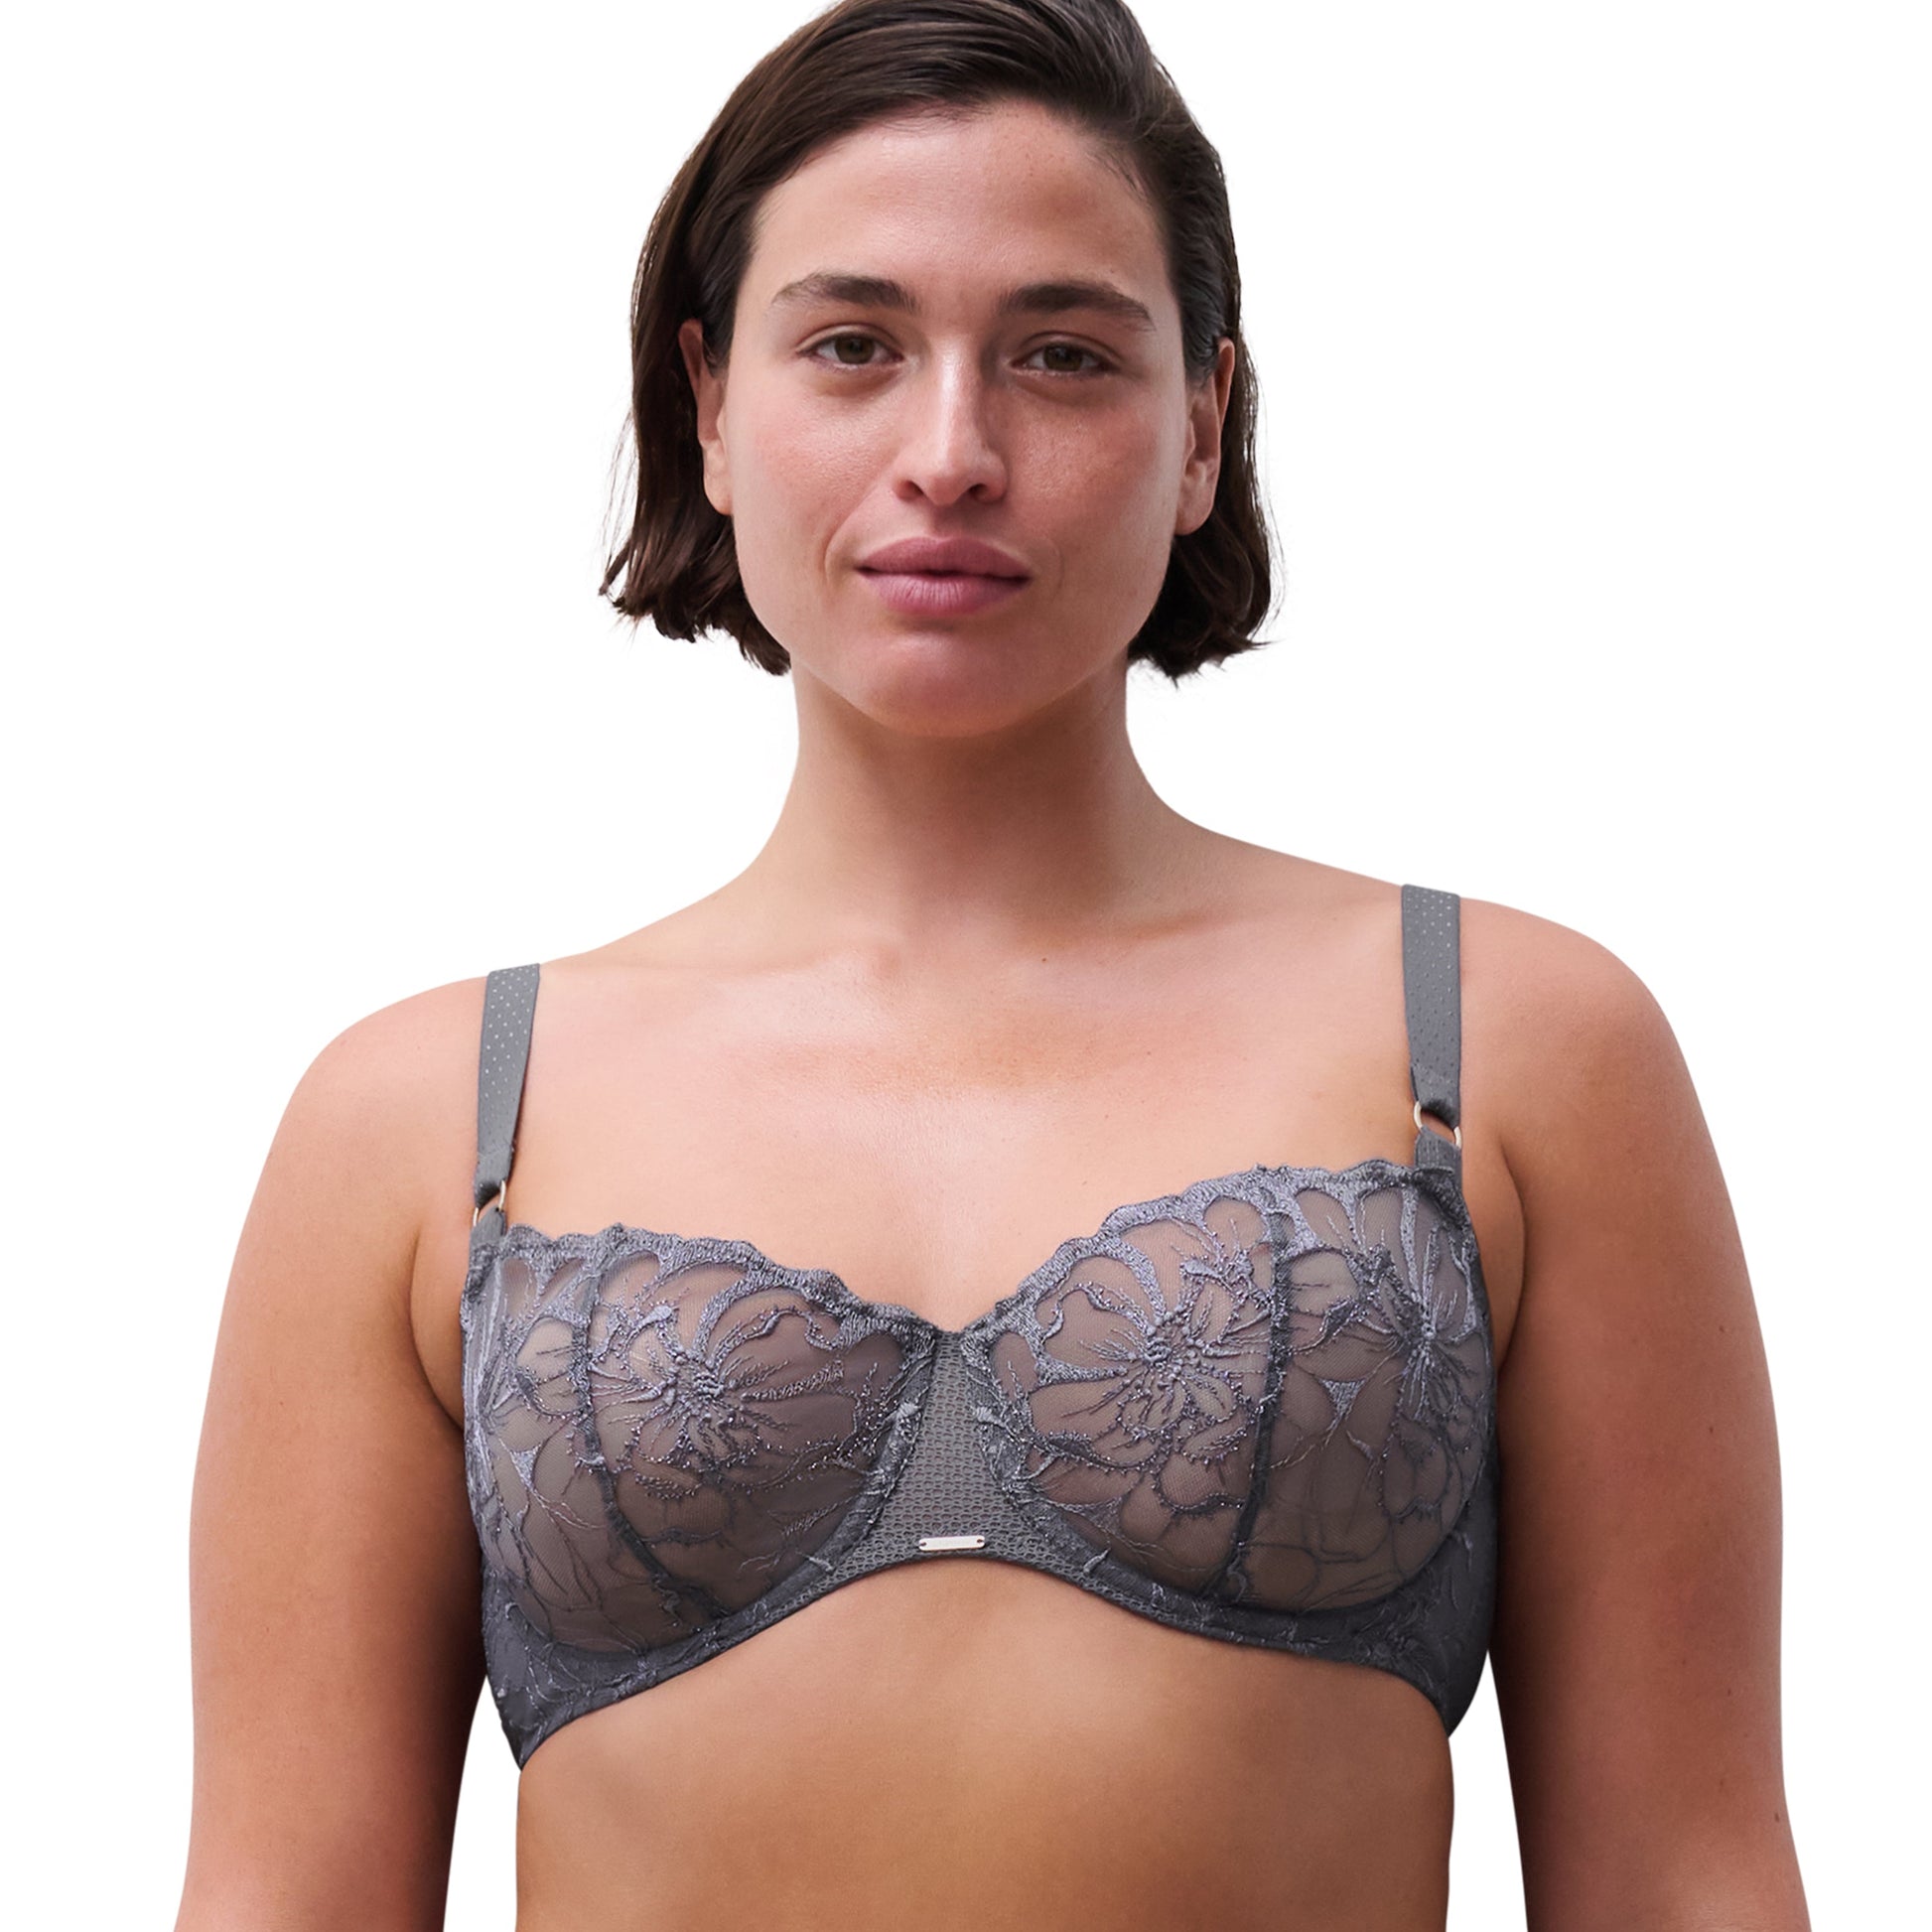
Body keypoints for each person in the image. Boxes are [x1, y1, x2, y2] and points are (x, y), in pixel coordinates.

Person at [174, 2, 1811, 1926]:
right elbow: (280, 1893)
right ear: (708, 405)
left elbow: (1686, 1875)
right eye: (852, 346)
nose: (951, 454)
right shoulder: (428, 1118)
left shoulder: (1508, 1048)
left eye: (1061, 354)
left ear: (1201, 425)